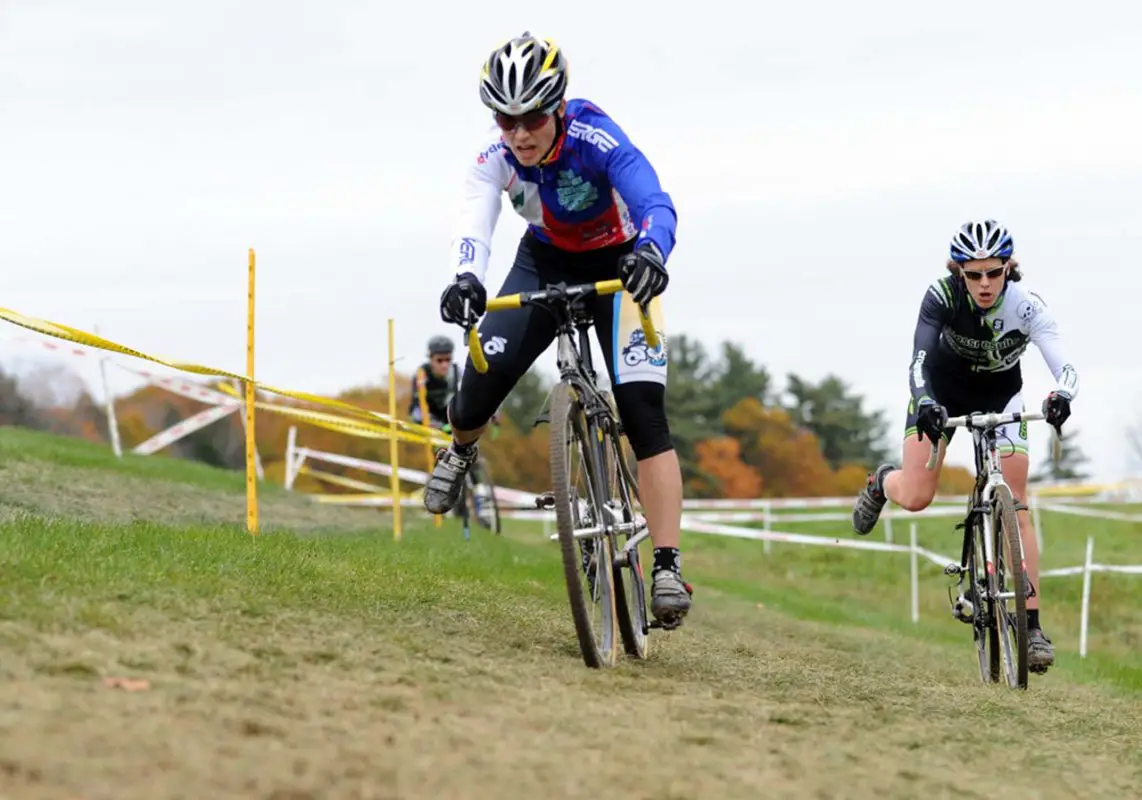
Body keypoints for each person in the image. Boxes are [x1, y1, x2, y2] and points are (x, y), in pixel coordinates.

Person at [422, 31, 693, 627]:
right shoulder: (494, 161)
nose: (519, 133)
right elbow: (475, 223)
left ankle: (667, 563)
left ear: (559, 108)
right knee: (473, 393)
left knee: (645, 413)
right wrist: (466, 277)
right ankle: (460, 452)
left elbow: (655, 199)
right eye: (505, 118)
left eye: (533, 117)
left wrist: (652, 252)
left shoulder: (596, 138)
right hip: (543, 260)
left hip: (621, 267)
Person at [851, 219, 1078, 674]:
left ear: (1008, 268)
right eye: (973, 274)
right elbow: (917, 359)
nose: (984, 283)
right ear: (959, 272)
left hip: (1002, 398)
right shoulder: (941, 296)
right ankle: (881, 482)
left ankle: (1031, 625)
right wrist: (926, 402)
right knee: (916, 496)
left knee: (1016, 502)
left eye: (993, 272)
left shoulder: (1027, 307)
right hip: (940, 395)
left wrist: (1061, 397)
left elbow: (1065, 368)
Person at [408, 335, 460, 428]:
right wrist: (432, 423)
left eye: (448, 360)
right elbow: (416, 408)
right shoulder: (421, 374)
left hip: (450, 419)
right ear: (430, 359)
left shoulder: (458, 372)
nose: (444, 365)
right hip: (428, 419)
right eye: (439, 360)